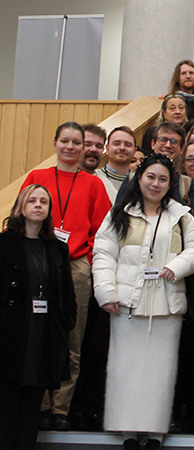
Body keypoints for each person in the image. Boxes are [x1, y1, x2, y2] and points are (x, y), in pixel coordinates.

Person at [92, 153, 194, 450]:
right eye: (150, 177)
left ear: (170, 184)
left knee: (160, 372)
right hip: (126, 302)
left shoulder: (181, 215)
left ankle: (154, 432)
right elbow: (104, 254)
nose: (155, 184)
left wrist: (178, 266)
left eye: (163, 179)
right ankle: (127, 430)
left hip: (167, 304)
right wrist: (106, 292)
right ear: (139, 178)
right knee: (124, 368)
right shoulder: (119, 213)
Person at [21, 122, 111, 432]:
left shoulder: (93, 184)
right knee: (37, 333)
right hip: (40, 261)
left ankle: (60, 409)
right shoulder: (37, 178)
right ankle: (39, 405)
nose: (71, 147)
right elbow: (22, 216)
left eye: (77, 142)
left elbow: (103, 230)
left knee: (72, 340)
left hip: (75, 265)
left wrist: (86, 260)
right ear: (55, 143)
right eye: (65, 141)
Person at [0, 185, 76, 450]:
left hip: (44, 334)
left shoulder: (57, 249)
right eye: (31, 200)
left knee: (32, 406)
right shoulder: (4, 244)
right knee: (7, 404)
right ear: (20, 207)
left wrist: (65, 322)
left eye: (43, 201)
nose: (38, 205)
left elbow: (67, 293)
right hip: (10, 334)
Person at [96, 126, 138, 203]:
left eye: (128, 145)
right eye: (117, 143)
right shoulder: (95, 177)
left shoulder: (140, 182)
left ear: (134, 151)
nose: (122, 148)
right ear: (107, 149)